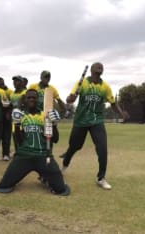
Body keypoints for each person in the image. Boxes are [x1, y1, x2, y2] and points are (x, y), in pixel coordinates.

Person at [60, 62, 129, 190]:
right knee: (75, 146)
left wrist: (121, 113)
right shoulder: (83, 83)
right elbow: (70, 99)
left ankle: (101, 178)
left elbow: (113, 103)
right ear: (91, 70)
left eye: (101, 66)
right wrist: (71, 98)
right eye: (97, 66)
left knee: (102, 148)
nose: (100, 67)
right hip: (81, 120)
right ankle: (64, 164)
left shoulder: (105, 87)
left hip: (97, 121)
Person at [0, 89, 70, 196]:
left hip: (43, 156)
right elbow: (19, 141)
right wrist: (16, 124)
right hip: (24, 155)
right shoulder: (20, 115)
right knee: (4, 186)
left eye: (34, 97)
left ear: (38, 100)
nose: (31, 99)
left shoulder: (44, 115)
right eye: (29, 97)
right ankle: (45, 176)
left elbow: (55, 139)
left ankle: (46, 177)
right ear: (25, 100)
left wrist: (53, 124)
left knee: (60, 189)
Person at [0, 77, 13, 161]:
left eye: (2, 83)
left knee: (6, 136)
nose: (1, 85)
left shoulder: (9, 91)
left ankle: (6, 154)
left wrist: (8, 113)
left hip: (7, 117)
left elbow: (12, 103)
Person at [9, 76, 27, 152]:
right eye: (14, 81)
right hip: (15, 119)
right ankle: (18, 153)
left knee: (24, 137)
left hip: (25, 119)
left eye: (17, 81)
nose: (15, 83)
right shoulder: (12, 94)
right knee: (15, 136)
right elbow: (11, 105)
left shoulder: (26, 92)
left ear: (22, 83)